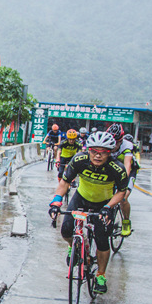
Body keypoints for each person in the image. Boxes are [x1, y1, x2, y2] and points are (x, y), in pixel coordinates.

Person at [49, 131, 129, 294]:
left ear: (110, 152)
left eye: (103, 152)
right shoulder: (79, 160)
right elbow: (65, 182)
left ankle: (100, 275)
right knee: (66, 230)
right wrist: (56, 201)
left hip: (104, 204)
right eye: (94, 151)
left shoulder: (116, 168)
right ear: (88, 150)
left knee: (102, 239)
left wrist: (108, 207)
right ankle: (74, 247)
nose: (98, 156)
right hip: (81, 198)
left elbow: (121, 192)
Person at [107, 124, 138, 237]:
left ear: (121, 141)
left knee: (123, 198)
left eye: (116, 142)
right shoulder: (106, 143)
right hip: (113, 170)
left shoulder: (127, 146)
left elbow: (127, 166)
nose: (113, 144)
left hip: (129, 171)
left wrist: (122, 184)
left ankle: (126, 222)